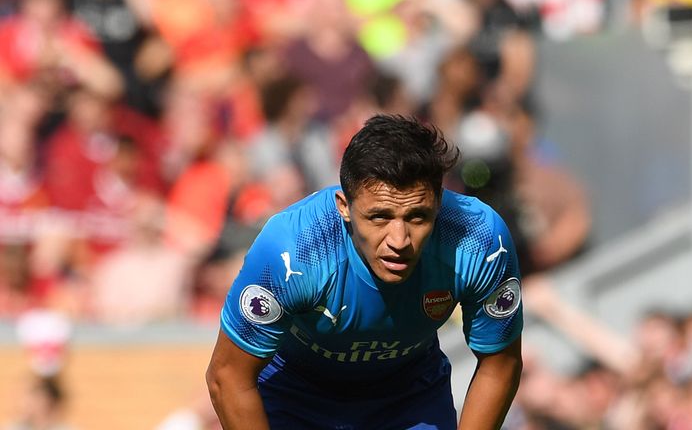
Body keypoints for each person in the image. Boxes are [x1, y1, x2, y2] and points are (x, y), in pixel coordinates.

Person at [206, 115, 524, 429]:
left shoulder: (479, 240)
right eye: (379, 218)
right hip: (294, 398)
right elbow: (228, 377)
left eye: (417, 217)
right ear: (344, 206)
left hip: (409, 400)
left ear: (439, 203)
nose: (399, 241)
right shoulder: (294, 250)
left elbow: (500, 365)